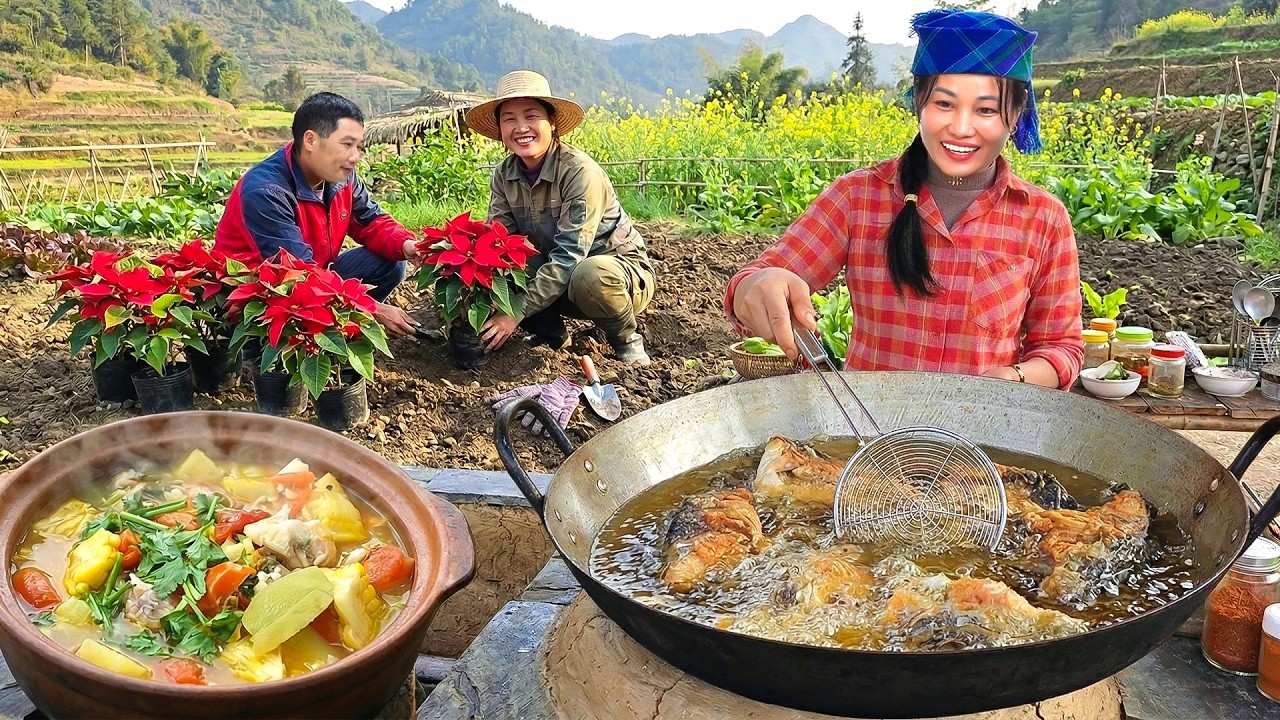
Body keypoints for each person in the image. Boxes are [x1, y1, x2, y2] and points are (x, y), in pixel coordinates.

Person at [724, 9, 1083, 390]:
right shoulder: (858, 198)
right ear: (919, 104)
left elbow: (1061, 348)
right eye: (944, 104)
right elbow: (756, 282)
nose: (961, 128)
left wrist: (1016, 376)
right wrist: (757, 286)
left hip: (980, 438)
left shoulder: (1043, 218)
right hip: (871, 438)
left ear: (1015, 116)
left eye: (986, 110)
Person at [465, 70, 657, 365]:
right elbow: (499, 242)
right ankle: (551, 335)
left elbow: (569, 256)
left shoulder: (579, 172)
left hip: (615, 277)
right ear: (500, 129)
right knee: (507, 262)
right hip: (559, 279)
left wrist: (514, 312)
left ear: (552, 123)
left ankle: (626, 341)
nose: (521, 127)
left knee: (590, 274)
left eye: (531, 116)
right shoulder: (505, 174)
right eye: (510, 119)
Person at [215, 92, 418, 337]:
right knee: (271, 338)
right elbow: (295, 274)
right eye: (346, 145)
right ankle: (264, 347)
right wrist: (371, 307)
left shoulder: (342, 177)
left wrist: (408, 245)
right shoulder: (266, 191)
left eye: (358, 147)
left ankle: (344, 330)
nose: (355, 157)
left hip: (316, 274)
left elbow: (370, 221)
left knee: (393, 259)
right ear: (310, 140)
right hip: (267, 291)